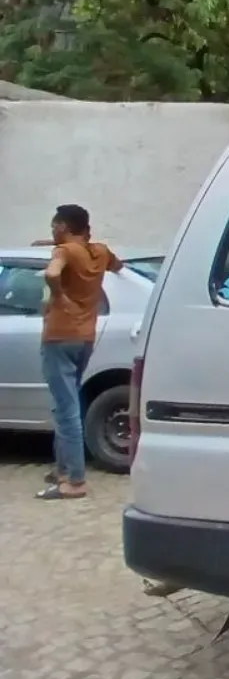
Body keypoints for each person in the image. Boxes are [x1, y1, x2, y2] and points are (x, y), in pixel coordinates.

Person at [37, 204, 121, 501]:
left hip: (59, 335)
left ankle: (75, 480)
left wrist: (60, 296)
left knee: (66, 409)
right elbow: (117, 265)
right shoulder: (98, 252)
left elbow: (52, 274)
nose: (51, 231)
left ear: (63, 226)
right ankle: (62, 468)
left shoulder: (63, 254)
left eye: (53, 226)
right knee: (66, 404)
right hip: (85, 337)